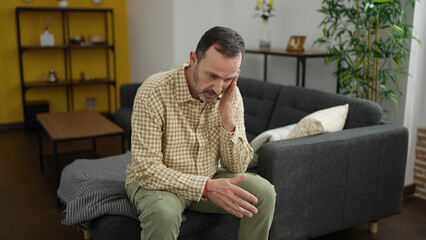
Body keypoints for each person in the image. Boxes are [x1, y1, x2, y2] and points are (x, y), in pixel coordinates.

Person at [125, 26, 276, 240]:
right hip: (160, 184)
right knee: (163, 213)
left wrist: (227, 120)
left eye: (227, 78)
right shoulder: (153, 91)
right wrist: (205, 187)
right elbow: (146, 169)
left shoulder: (230, 95)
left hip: (209, 177)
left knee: (264, 193)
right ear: (193, 59)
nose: (217, 88)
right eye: (212, 75)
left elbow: (238, 166)